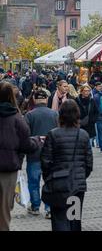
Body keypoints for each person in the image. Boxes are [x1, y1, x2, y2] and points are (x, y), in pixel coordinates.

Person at [41, 100, 93, 231]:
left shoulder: (53, 134)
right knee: (73, 220)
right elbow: (89, 163)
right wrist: (80, 176)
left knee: (59, 220)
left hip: (58, 185)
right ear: (77, 115)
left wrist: (49, 177)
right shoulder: (83, 135)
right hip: (76, 187)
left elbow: (45, 161)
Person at [0, 81, 41, 231]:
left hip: (8, 167)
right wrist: (36, 141)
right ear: (12, 97)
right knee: (4, 210)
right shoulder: (17, 118)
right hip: (8, 169)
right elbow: (26, 145)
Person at [24, 90, 58, 219]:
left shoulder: (29, 115)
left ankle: (35, 206)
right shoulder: (55, 114)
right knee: (49, 181)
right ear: (46, 100)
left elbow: (25, 136)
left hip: (34, 153)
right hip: (51, 154)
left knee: (33, 181)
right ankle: (49, 208)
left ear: (35, 99)